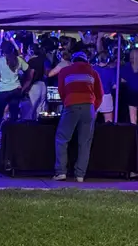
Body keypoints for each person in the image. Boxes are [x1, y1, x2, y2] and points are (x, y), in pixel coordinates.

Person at [53, 51, 104, 183]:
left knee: (62, 139)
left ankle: (61, 172)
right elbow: (99, 94)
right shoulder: (93, 72)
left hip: (71, 104)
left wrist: (67, 103)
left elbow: (61, 90)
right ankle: (80, 175)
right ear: (86, 61)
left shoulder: (65, 71)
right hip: (89, 106)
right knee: (85, 142)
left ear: (73, 60)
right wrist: (93, 107)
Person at [0, 40, 27, 145]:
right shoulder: (18, 59)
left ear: (2, 50)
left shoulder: (0, 61)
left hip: (3, 91)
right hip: (16, 90)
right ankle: (12, 139)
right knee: (14, 115)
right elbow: (28, 70)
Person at [22, 43, 48, 120]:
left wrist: (25, 88)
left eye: (28, 49)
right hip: (43, 84)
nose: (27, 50)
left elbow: (31, 75)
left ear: (32, 51)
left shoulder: (32, 61)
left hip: (34, 86)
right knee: (41, 109)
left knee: (32, 110)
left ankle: (31, 129)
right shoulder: (43, 59)